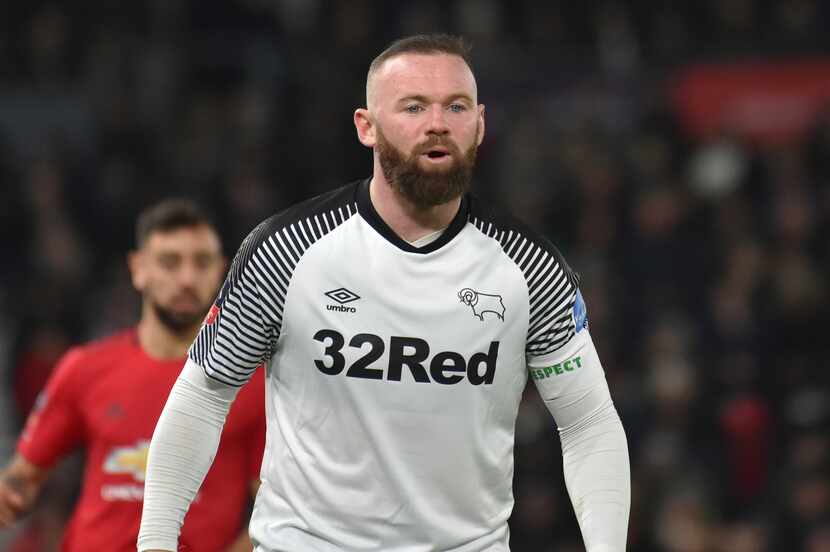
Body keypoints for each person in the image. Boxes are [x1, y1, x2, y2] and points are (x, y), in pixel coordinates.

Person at [138, 34, 630, 552]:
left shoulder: (531, 268)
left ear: (480, 125)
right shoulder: (284, 251)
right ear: (366, 127)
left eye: (455, 107)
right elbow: (203, 396)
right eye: (414, 106)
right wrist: (154, 545)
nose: (437, 122)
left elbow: (588, 422)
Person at [0, 200, 265, 552]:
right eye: (169, 262)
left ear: (221, 270)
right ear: (138, 268)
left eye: (201, 262)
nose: (186, 278)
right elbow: (22, 480)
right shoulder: (85, 368)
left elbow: (274, 511)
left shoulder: (252, 384)